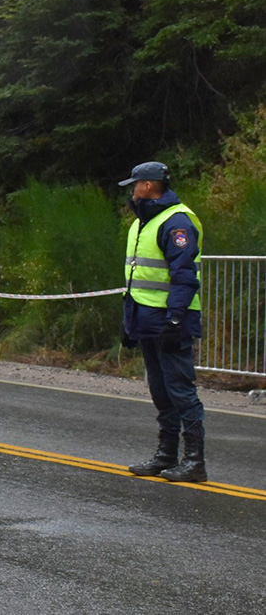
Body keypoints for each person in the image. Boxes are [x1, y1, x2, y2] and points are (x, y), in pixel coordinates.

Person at [119, 161, 208, 483]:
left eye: (135, 184)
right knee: (160, 390)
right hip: (147, 319)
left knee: (181, 390)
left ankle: (195, 460)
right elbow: (137, 278)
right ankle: (167, 454)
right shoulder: (144, 223)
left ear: (147, 186)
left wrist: (174, 320)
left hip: (171, 321)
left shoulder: (176, 222)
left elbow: (184, 278)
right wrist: (130, 321)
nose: (132, 190)